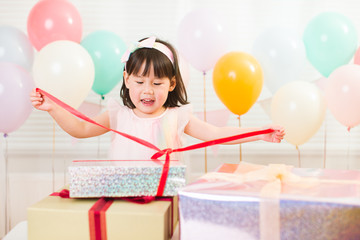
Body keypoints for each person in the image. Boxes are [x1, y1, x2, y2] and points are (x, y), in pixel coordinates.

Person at [30, 36, 285, 161]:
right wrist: (54, 108)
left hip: (164, 201)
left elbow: (216, 134)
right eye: (140, 82)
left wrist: (261, 132)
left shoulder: (177, 116)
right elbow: (81, 128)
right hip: (123, 200)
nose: (148, 90)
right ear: (127, 79)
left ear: (172, 83)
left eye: (157, 83)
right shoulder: (118, 114)